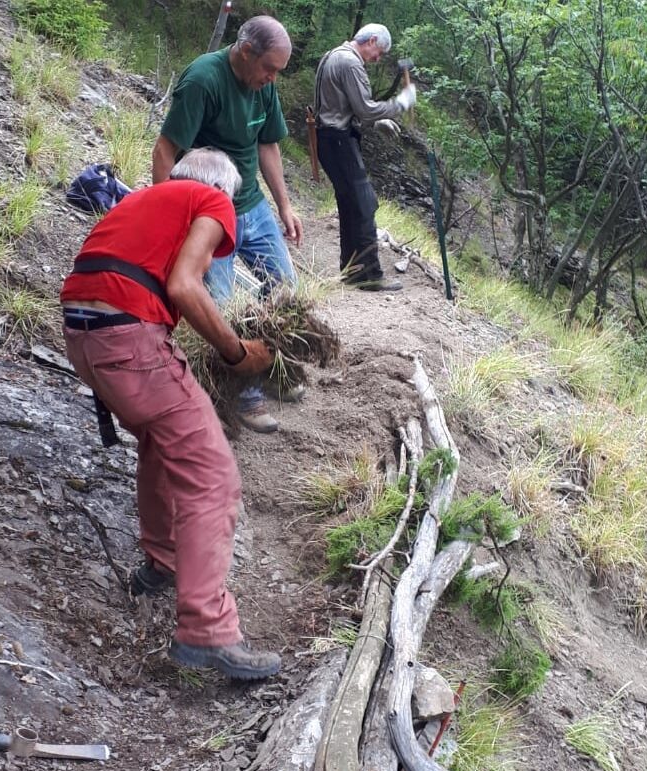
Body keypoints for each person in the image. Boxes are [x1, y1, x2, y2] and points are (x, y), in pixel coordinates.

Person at [60, 148, 281, 681]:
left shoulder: (144, 201)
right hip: (129, 338)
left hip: (83, 338)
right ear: (222, 192)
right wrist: (235, 352)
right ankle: (208, 630)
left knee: (161, 442)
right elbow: (186, 284)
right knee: (213, 476)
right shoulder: (213, 200)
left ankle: (161, 563)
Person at [151, 15, 303, 434]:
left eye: (279, 71)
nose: (273, 79)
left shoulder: (264, 86)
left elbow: (267, 143)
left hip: (252, 206)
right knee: (221, 304)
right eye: (269, 68)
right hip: (208, 210)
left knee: (286, 292)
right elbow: (166, 150)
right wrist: (166, 218)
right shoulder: (204, 79)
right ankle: (244, 396)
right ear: (245, 51)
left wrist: (284, 207)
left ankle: (276, 371)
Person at [314, 24, 417, 291]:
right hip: (338, 141)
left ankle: (352, 273)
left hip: (331, 139)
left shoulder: (334, 55)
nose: (377, 59)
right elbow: (365, 108)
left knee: (351, 206)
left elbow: (344, 106)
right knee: (364, 205)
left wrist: (372, 123)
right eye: (378, 52)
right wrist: (400, 104)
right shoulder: (350, 62)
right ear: (371, 40)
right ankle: (368, 275)